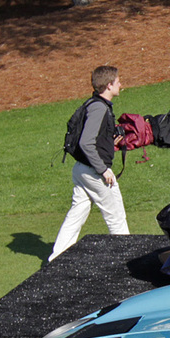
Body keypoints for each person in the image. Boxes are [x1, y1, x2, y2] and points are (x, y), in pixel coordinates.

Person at [50, 65, 128, 260]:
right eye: (118, 81)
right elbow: (86, 142)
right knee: (116, 217)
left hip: (81, 170)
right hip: (94, 172)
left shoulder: (93, 103)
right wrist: (103, 170)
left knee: (77, 213)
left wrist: (111, 141)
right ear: (109, 85)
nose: (121, 84)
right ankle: (127, 259)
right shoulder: (99, 108)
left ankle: (57, 258)